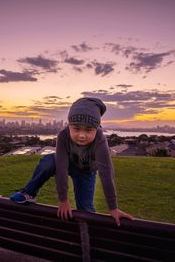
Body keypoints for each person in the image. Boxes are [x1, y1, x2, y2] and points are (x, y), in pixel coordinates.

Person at [10, 97, 133, 226]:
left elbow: (106, 174)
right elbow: (61, 167)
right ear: (69, 126)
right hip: (69, 164)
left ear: (96, 129)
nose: (82, 135)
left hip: (86, 172)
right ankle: (29, 193)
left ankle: (91, 236)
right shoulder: (63, 135)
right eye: (77, 128)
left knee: (85, 210)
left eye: (88, 130)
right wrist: (63, 199)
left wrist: (113, 208)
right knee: (49, 161)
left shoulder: (100, 139)